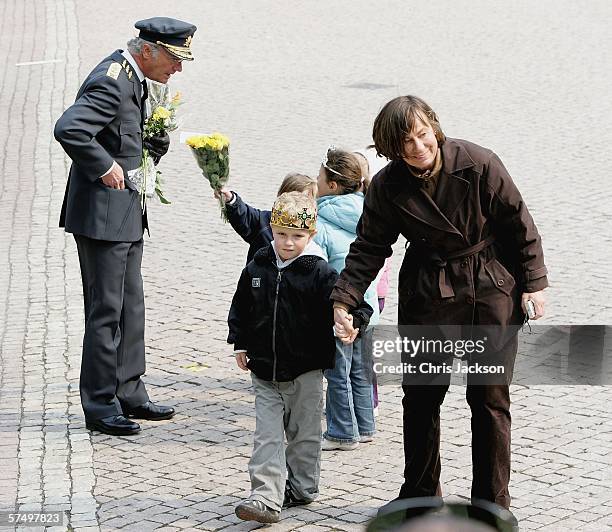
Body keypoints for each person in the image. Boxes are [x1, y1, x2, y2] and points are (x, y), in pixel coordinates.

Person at [331, 95, 548, 509]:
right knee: (422, 398)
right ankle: (420, 494)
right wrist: (344, 299)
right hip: (428, 294)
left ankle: (492, 501)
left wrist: (534, 283)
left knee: (489, 400)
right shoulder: (387, 185)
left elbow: (520, 223)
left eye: (422, 134)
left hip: (489, 292)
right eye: (405, 142)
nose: (417, 147)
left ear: (434, 126)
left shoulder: (480, 163)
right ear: (390, 148)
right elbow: (369, 247)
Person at [54, 17, 197, 436]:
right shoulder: (112, 80)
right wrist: (105, 167)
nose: (178, 68)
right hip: (102, 218)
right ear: (148, 49)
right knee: (106, 312)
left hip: (126, 213)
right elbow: (70, 128)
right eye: (174, 59)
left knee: (131, 307)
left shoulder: (133, 77)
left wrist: (152, 146)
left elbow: (120, 135)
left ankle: (129, 391)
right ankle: (100, 404)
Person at [228, 192, 372, 524]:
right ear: (272, 230)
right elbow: (241, 306)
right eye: (281, 234)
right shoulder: (258, 264)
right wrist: (240, 341)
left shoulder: (319, 273)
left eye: (297, 236)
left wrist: (352, 323)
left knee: (304, 436)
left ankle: (302, 487)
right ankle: (264, 496)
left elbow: (357, 304)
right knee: (267, 436)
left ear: (311, 235)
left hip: (305, 372)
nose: (288, 243)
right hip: (264, 371)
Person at [314, 148, 379, 450]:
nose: (316, 181)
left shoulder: (323, 221)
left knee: (337, 372)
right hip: (367, 309)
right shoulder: (369, 213)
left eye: (320, 177)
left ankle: (341, 432)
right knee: (361, 371)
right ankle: (365, 426)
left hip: (340, 310)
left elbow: (320, 271)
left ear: (334, 185)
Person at [217, 173, 318, 263]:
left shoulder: (311, 229)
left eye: (307, 199)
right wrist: (230, 200)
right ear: (281, 197)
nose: (299, 204)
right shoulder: (264, 221)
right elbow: (245, 216)